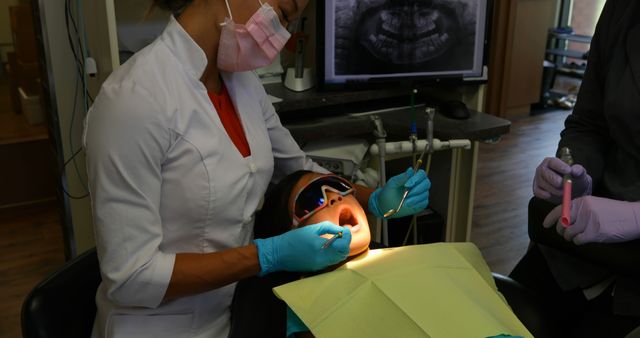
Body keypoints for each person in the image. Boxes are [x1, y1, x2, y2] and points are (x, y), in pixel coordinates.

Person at [82, 0, 431, 337]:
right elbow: (131, 276)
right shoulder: (132, 102)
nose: (285, 33)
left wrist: (373, 199)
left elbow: (298, 168)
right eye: (284, 13)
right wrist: (266, 256)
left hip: (233, 316)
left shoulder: (242, 84)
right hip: (157, 328)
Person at [510, 0, 640, 337]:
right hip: (578, 250)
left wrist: (636, 217)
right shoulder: (624, 10)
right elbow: (588, 123)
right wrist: (576, 173)